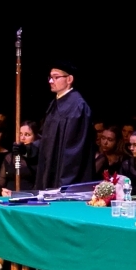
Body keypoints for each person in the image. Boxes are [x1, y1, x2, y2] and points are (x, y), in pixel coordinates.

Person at [33, 60, 93, 190]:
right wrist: (28, 149)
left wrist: (64, 185)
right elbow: (46, 139)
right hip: (51, 172)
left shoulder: (78, 106)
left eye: (56, 77)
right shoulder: (54, 104)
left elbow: (75, 150)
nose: (51, 81)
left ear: (69, 79)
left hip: (66, 178)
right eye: (50, 77)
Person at [0, 120, 38, 195]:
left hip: (29, 197)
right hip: (9, 197)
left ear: (35, 137)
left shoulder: (37, 157)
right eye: (20, 134)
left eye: (27, 135)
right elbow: (0, 183)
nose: (22, 138)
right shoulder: (9, 157)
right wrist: (2, 191)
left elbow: (39, 185)